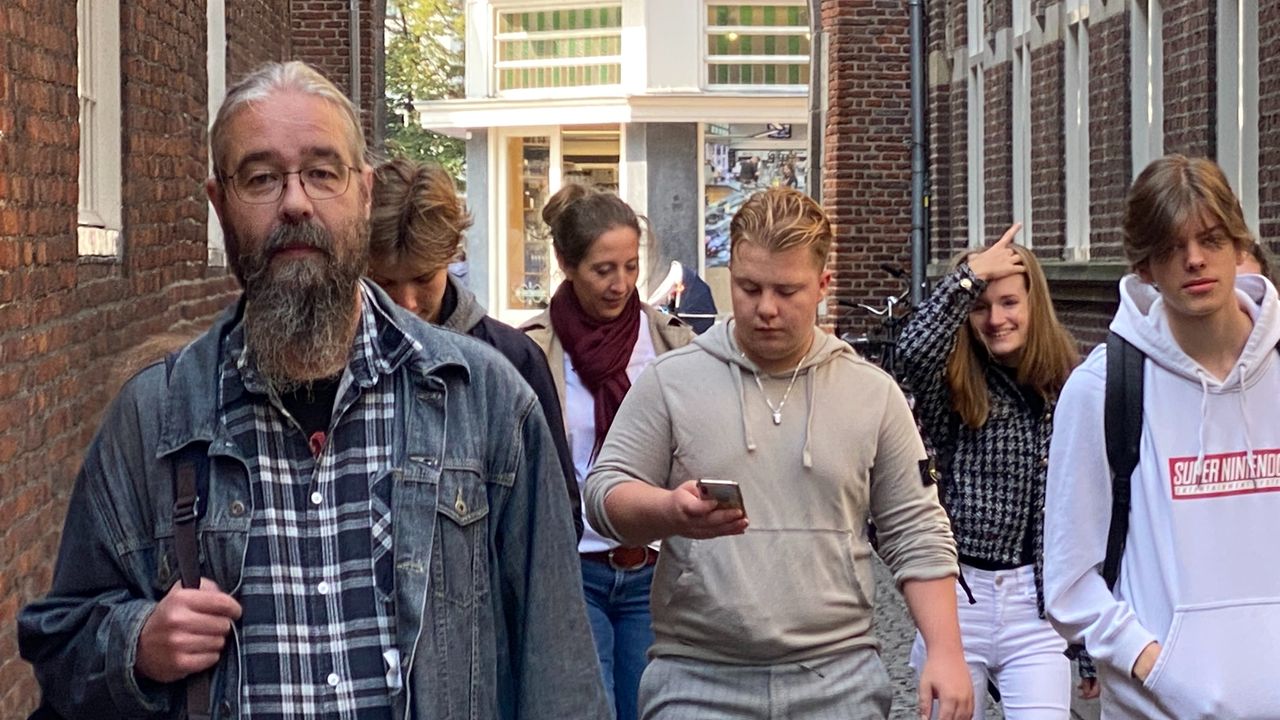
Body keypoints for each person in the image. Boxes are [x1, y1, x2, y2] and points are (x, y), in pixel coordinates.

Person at [17, 61, 608, 720]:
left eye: (323, 173)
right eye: (261, 178)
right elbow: (60, 641)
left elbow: (560, 673)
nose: (295, 202)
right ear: (219, 204)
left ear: (364, 193)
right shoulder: (154, 418)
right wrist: (138, 645)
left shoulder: (486, 401)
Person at [583, 187, 974, 720]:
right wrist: (668, 511)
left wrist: (946, 652)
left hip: (838, 681)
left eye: (787, 291)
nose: (766, 308)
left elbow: (917, 529)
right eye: (749, 288)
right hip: (697, 680)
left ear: (822, 286)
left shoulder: (872, 393)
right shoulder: (672, 380)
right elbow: (604, 493)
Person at [1044, 154, 1280, 718]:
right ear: (1145, 266)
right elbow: (1069, 580)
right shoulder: (1103, 389)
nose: (1194, 259)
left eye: (1210, 239)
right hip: (1157, 709)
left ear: (1237, 245)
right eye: (1172, 247)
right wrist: (1158, 667)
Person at [897, 223, 1086, 718]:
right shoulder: (952, 383)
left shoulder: (1068, 384)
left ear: (1033, 305)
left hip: (1036, 608)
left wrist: (1084, 640)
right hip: (959, 600)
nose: (996, 318)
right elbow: (911, 350)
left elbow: (1082, 512)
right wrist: (969, 277)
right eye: (981, 306)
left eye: (1009, 303)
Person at [521, 184, 693, 720]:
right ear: (566, 264)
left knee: (650, 707)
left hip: (653, 568)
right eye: (603, 270)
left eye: (631, 266)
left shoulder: (671, 343)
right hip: (573, 568)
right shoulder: (532, 350)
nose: (621, 284)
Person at [366, 156, 583, 540]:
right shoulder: (328, 364)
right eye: (385, 283)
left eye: (423, 279)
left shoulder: (513, 360)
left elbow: (555, 521)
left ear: (452, 256)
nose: (407, 303)